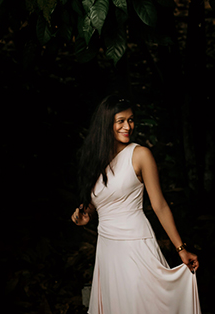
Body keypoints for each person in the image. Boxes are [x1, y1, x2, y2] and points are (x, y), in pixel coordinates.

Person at [72, 95, 201, 313]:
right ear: (107, 124)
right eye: (120, 120)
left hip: (135, 243)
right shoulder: (96, 160)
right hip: (108, 250)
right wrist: (83, 215)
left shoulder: (140, 154)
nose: (127, 126)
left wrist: (181, 249)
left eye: (131, 120)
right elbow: (99, 203)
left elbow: (159, 205)